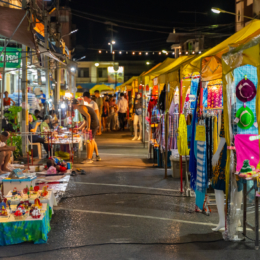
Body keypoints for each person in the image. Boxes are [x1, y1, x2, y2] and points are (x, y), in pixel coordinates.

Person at [72, 99, 101, 163]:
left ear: (74, 105)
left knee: (87, 140)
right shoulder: (81, 107)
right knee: (91, 140)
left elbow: (88, 116)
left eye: (72, 105)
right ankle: (90, 157)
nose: (72, 107)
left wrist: (88, 127)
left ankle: (89, 159)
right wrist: (79, 128)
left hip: (93, 124)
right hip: (95, 123)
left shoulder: (80, 108)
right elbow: (86, 120)